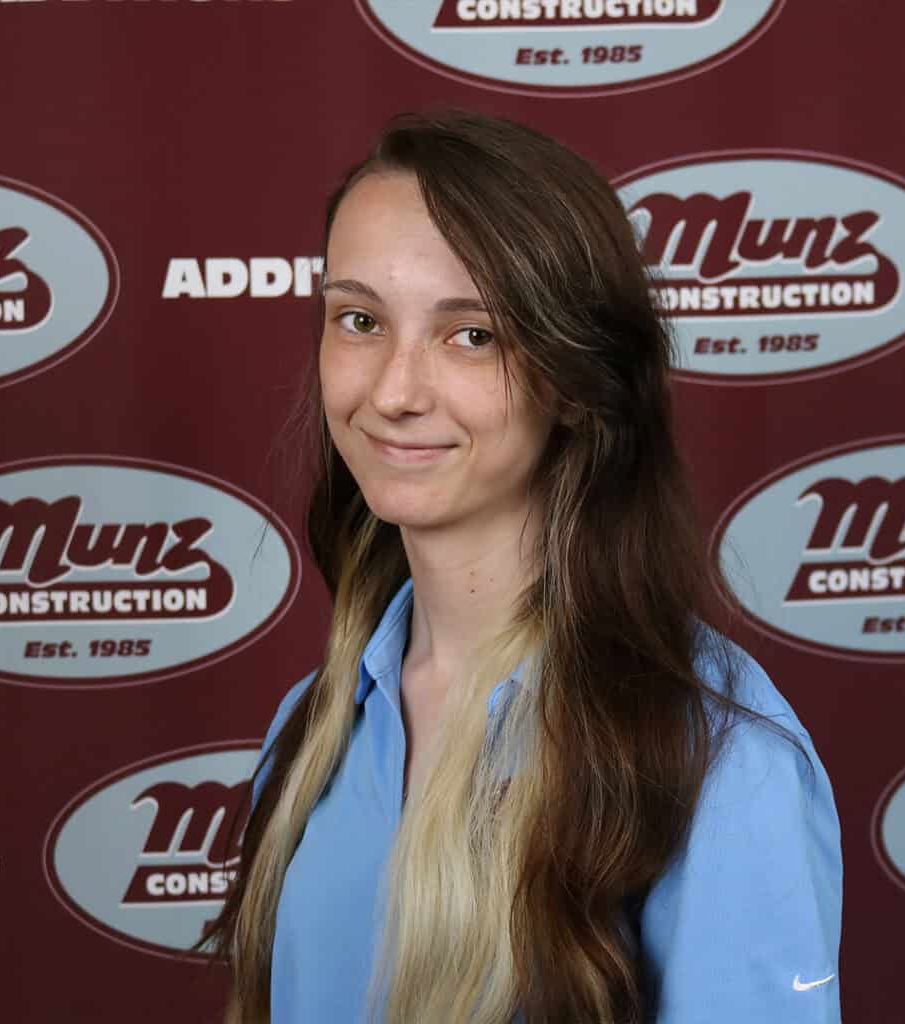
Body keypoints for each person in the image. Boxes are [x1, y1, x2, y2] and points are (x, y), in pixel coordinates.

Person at [203, 109, 843, 1024]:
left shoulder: (715, 755)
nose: (392, 391)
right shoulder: (312, 732)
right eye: (359, 320)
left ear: (578, 379)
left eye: (473, 334)